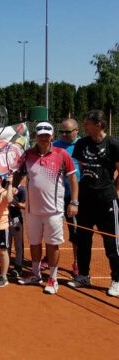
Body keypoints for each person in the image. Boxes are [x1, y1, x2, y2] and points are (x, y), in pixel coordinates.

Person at [14, 122, 78, 295]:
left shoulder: (62, 154)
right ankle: (35, 274)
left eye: (47, 135)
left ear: (52, 136)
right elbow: (18, 172)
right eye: (40, 135)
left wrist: (74, 201)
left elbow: (72, 180)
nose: (43, 138)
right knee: (34, 243)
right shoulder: (27, 155)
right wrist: (12, 187)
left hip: (54, 210)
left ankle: (53, 278)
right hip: (32, 210)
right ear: (36, 136)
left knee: (52, 244)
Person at [69, 110, 119, 297]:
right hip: (86, 200)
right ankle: (83, 276)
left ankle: (117, 279)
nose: (85, 126)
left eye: (88, 123)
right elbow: (82, 168)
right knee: (83, 240)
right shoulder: (82, 143)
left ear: (98, 125)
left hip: (106, 200)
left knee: (111, 242)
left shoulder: (113, 144)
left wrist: (111, 190)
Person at [53, 118, 81, 276]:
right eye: (61, 132)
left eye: (67, 132)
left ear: (77, 131)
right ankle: (48, 256)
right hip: (56, 194)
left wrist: (75, 200)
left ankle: (77, 261)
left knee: (75, 230)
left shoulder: (83, 145)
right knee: (52, 227)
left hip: (74, 195)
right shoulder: (55, 145)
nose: (64, 134)